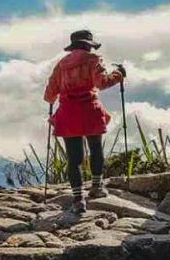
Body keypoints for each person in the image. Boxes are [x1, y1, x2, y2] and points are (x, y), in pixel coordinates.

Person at [43, 29, 126, 213]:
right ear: (89, 45)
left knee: (74, 158)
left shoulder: (61, 65)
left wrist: (52, 99)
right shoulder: (93, 60)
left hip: (68, 113)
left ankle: (78, 199)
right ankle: (96, 187)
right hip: (90, 110)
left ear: (73, 46)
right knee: (95, 148)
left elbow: (49, 94)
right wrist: (118, 74)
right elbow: (102, 83)